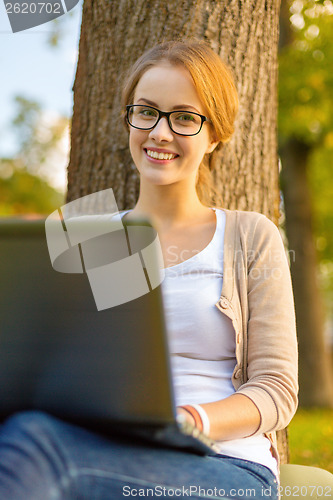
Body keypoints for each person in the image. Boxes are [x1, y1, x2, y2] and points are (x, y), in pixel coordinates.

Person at [0, 39, 298, 499]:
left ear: (215, 134)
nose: (160, 132)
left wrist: (189, 420)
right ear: (130, 119)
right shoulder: (87, 232)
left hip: (224, 463)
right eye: (147, 112)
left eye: (184, 118)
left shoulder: (248, 235)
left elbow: (277, 389)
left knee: (36, 448)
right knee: (30, 432)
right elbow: (40, 364)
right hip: (102, 448)